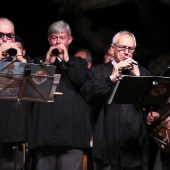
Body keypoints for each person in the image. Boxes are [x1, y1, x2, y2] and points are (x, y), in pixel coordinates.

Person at [80, 30, 159, 170]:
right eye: (122, 47)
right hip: (107, 146)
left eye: (130, 49)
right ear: (113, 48)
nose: (126, 52)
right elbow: (88, 95)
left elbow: (153, 102)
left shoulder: (141, 72)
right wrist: (111, 78)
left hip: (134, 147)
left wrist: (138, 77)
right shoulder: (99, 71)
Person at [28, 20, 93, 170]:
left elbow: (84, 83)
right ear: (48, 39)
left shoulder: (79, 63)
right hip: (44, 134)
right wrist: (47, 65)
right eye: (54, 37)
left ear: (69, 40)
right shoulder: (38, 62)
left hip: (72, 135)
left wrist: (67, 61)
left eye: (62, 38)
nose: (58, 42)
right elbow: (33, 90)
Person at [0, 17, 31, 170]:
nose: (5, 40)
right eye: (0, 35)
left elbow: (34, 87)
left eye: (9, 36)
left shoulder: (16, 62)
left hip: (11, 135)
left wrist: (21, 60)